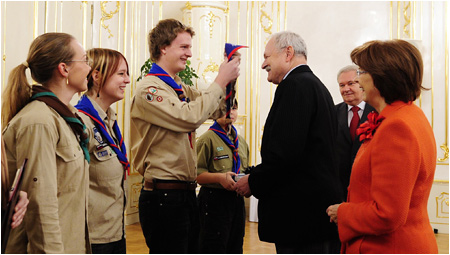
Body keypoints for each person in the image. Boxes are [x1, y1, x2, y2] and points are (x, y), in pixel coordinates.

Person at [130, 18, 240, 253]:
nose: (189, 53)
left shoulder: (177, 87)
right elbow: (189, 117)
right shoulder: (150, 89)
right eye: (184, 47)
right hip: (164, 196)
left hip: (183, 194)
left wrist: (229, 82)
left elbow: (219, 109)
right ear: (163, 48)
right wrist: (220, 80)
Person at [235, 31, 343, 253]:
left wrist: (253, 182)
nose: (263, 64)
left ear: (288, 53)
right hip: (314, 215)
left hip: (302, 218)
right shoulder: (314, 85)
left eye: (267, 56)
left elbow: (285, 155)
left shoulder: (295, 85)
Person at [326, 40, 438, 253]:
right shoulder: (409, 114)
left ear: (382, 75)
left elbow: (388, 214)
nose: (357, 79)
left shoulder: (396, 126)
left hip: (391, 246)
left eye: (362, 71)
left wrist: (343, 213)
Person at [1, 32, 91, 253]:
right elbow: (41, 205)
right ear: (64, 69)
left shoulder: (64, 117)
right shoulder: (39, 122)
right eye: (85, 59)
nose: (90, 67)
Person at [75, 48, 130, 254]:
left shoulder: (110, 120)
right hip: (93, 237)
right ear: (97, 76)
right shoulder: (82, 122)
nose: (127, 80)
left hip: (115, 230)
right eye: (121, 74)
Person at [196, 99, 249, 253]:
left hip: (237, 201)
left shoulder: (241, 142)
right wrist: (219, 178)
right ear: (214, 112)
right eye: (225, 108)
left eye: (234, 108)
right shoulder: (207, 140)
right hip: (214, 202)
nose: (230, 112)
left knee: (235, 245)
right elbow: (197, 175)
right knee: (214, 246)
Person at [335, 65, 375, 198]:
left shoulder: (377, 111)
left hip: (369, 189)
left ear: (361, 84)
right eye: (342, 85)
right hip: (339, 190)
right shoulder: (332, 113)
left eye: (351, 83)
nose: (346, 89)